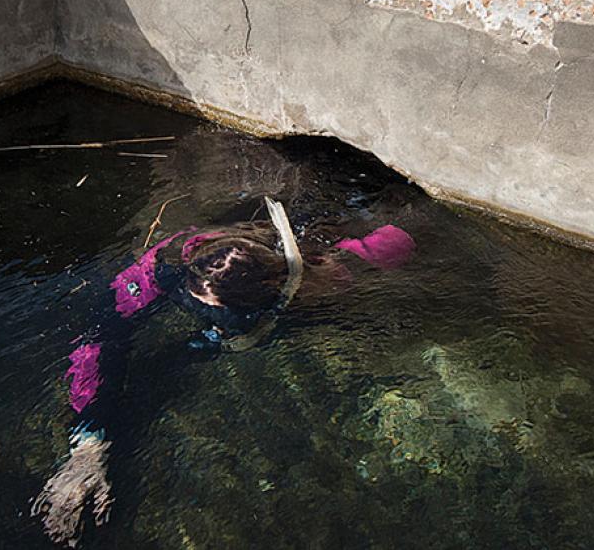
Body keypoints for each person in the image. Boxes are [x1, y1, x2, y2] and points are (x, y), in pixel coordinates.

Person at [31, 198, 415, 545]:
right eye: (196, 297)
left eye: (213, 306)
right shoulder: (171, 262)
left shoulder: (323, 274)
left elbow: (402, 239)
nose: (201, 308)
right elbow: (99, 337)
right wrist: (89, 441)